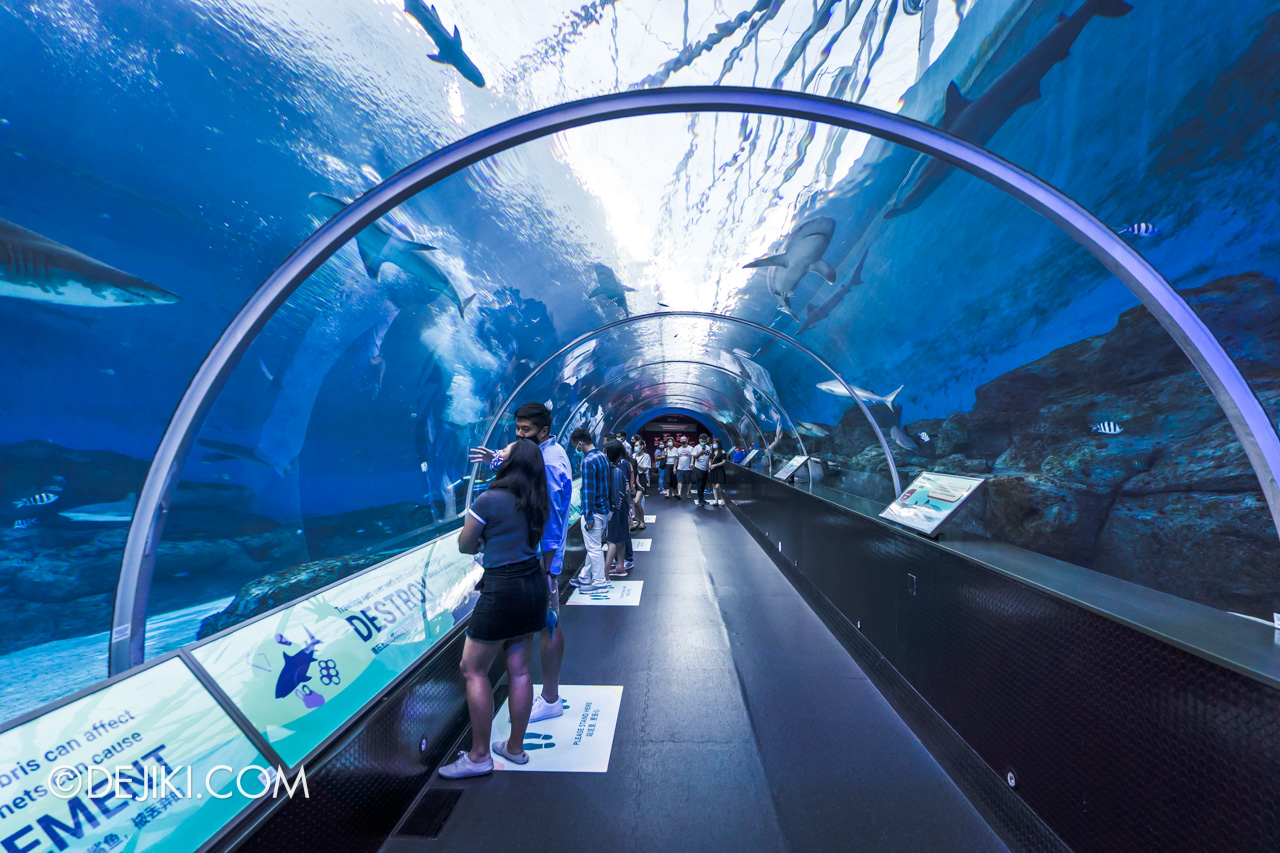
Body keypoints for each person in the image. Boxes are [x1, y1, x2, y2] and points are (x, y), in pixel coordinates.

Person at [439, 439, 550, 778]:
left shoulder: (489, 499)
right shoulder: (537, 500)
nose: (499, 454)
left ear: (512, 463)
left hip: (502, 588)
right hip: (533, 584)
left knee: (472, 668)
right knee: (520, 670)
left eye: (505, 452)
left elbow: (464, 544)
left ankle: (478, 756)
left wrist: (486, 538)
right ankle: (515, 748)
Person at [468, 402, 573, 725]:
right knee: (545, 625)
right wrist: (496, 458)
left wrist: (547, 571)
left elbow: (552, 525)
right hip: (532, 561)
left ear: (543, 431)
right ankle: (547, 696)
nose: (518, 437)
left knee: (550, 623)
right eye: (516, 430)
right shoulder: (539, 452)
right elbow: (522, 456)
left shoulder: (553, 465)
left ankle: (551, 698)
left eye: (525, 431)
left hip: (541, 564)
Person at [570, 429, 612, 593]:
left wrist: (587, 517)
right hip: (603, 509)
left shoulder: (588, 461)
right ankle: (584, 577)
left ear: (580, 443)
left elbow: (588, 491)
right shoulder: (602, 456)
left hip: (593, 511)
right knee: (594, 546)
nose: (576, 449)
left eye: (575, 446)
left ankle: (600, 583)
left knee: (594, 549)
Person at [603, 440, 632, 578]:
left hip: (614, 508)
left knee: (611, 540)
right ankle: (620, 566)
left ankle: (604, 574)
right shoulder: (624, 466)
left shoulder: (612, 470)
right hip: (622, 507)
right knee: (621, 537)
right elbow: (626, 489)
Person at [691, 434, 712, 506]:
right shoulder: (696, 448)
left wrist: (709, 465)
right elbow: (694, 457)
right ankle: (700, 500)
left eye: (705, 441)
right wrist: (700, 454)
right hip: (698, 468)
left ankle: (702, 499)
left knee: (703, 484)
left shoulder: (708, 448)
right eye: (702, 441)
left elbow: (709, 457)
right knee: (699, 484)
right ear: (699, 440)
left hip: (705, 469)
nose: (703, 442)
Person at [634, 441, 651, 529]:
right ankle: (637, 520)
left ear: (642, 446)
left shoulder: (646, 456)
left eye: (637, 445)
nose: (635, 447)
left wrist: (636, 464)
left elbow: (645, 469)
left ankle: (642, 520)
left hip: (642, 478)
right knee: (634, 503)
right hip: (633, 478)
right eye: (635, 445)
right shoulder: (633, 456)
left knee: (637, 502)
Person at [708, 438, 728, 506]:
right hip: (713, 470)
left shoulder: (722, 452)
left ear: (719, 444)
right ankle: (716, 500)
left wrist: (715, 465)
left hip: (719, 470)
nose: (714, 445)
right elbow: (710, 460)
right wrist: (710, 465)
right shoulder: (712, 452)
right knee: (713, 486)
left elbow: (724, 461)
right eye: (713, 443)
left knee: (717, 486)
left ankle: (722, 498)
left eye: (715, 443)